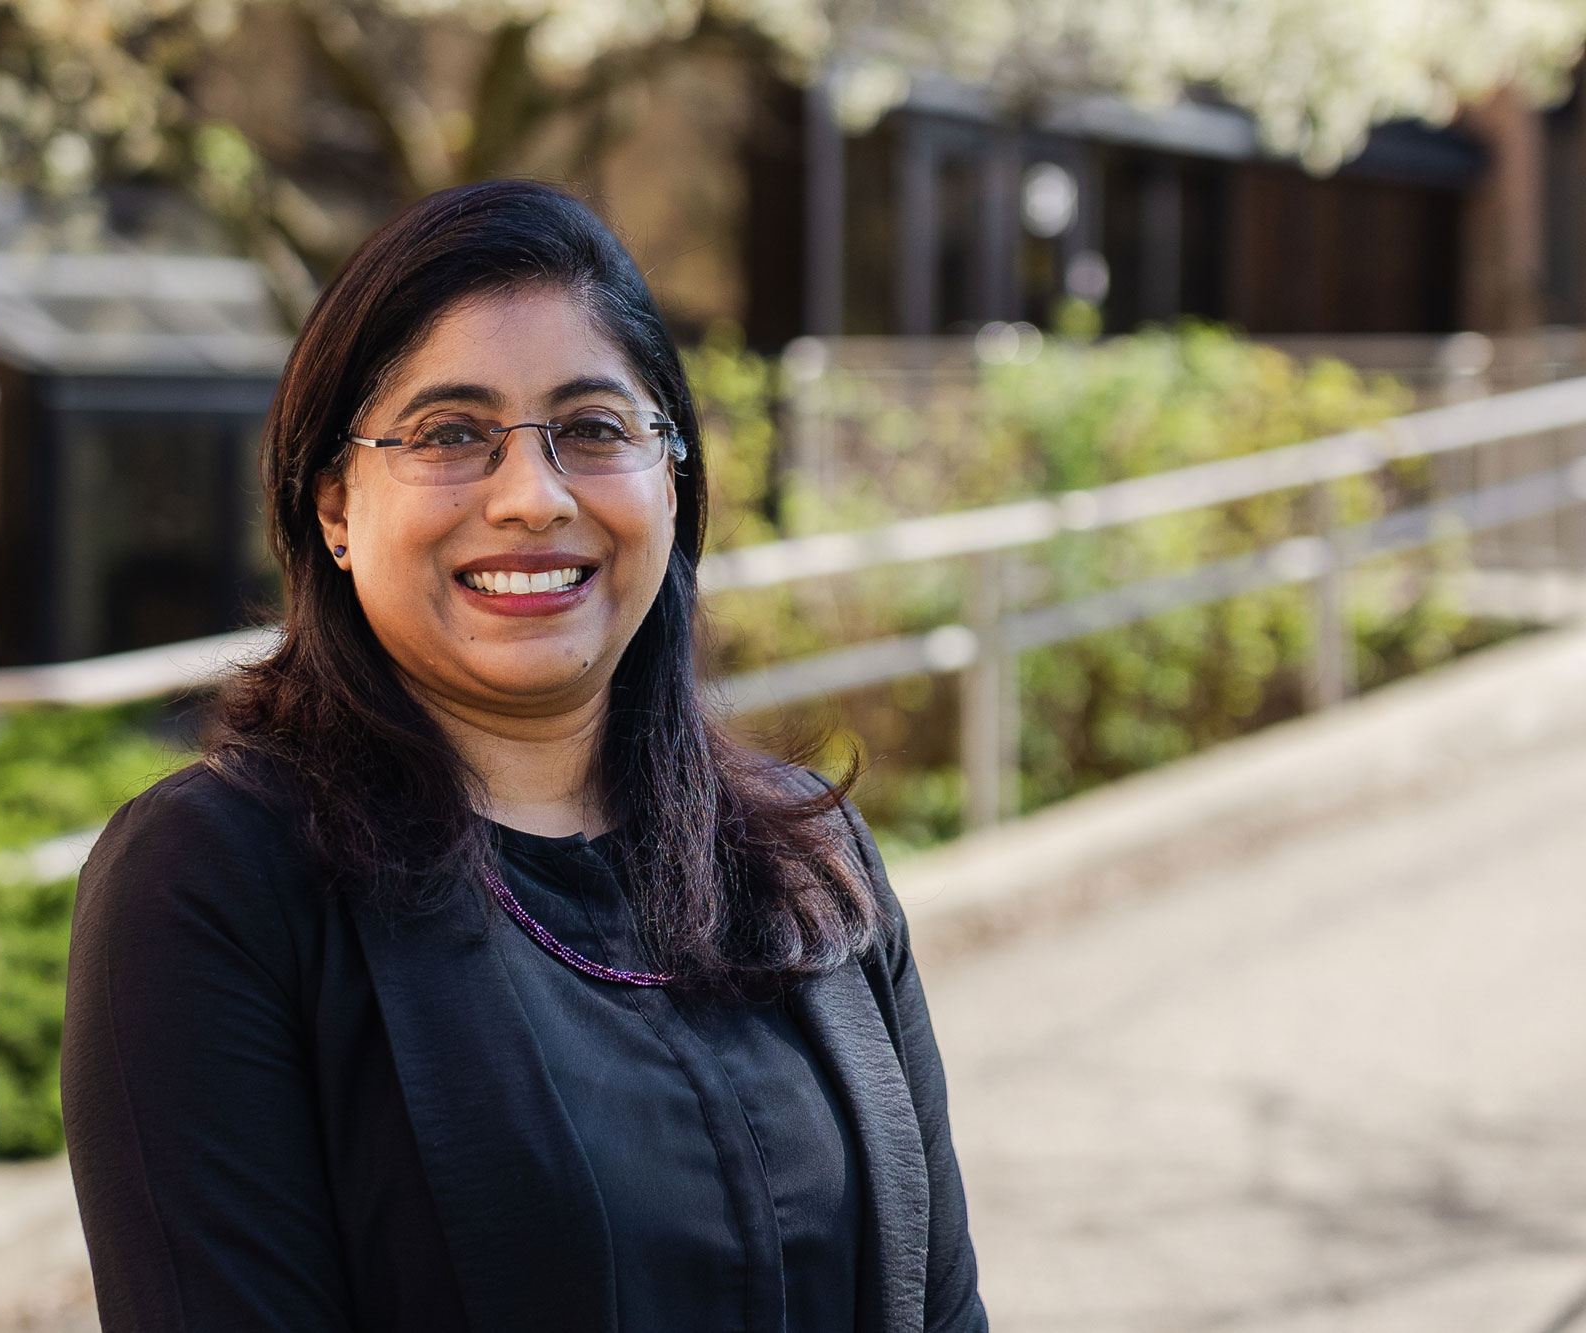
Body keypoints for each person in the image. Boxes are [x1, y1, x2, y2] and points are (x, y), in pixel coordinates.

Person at [60, 179, 986, 1333]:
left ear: (671, 475)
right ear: (334, 506)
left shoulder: (805, 856)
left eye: (593, 429)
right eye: (451, 434)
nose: (532, 498)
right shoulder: (217, 884)